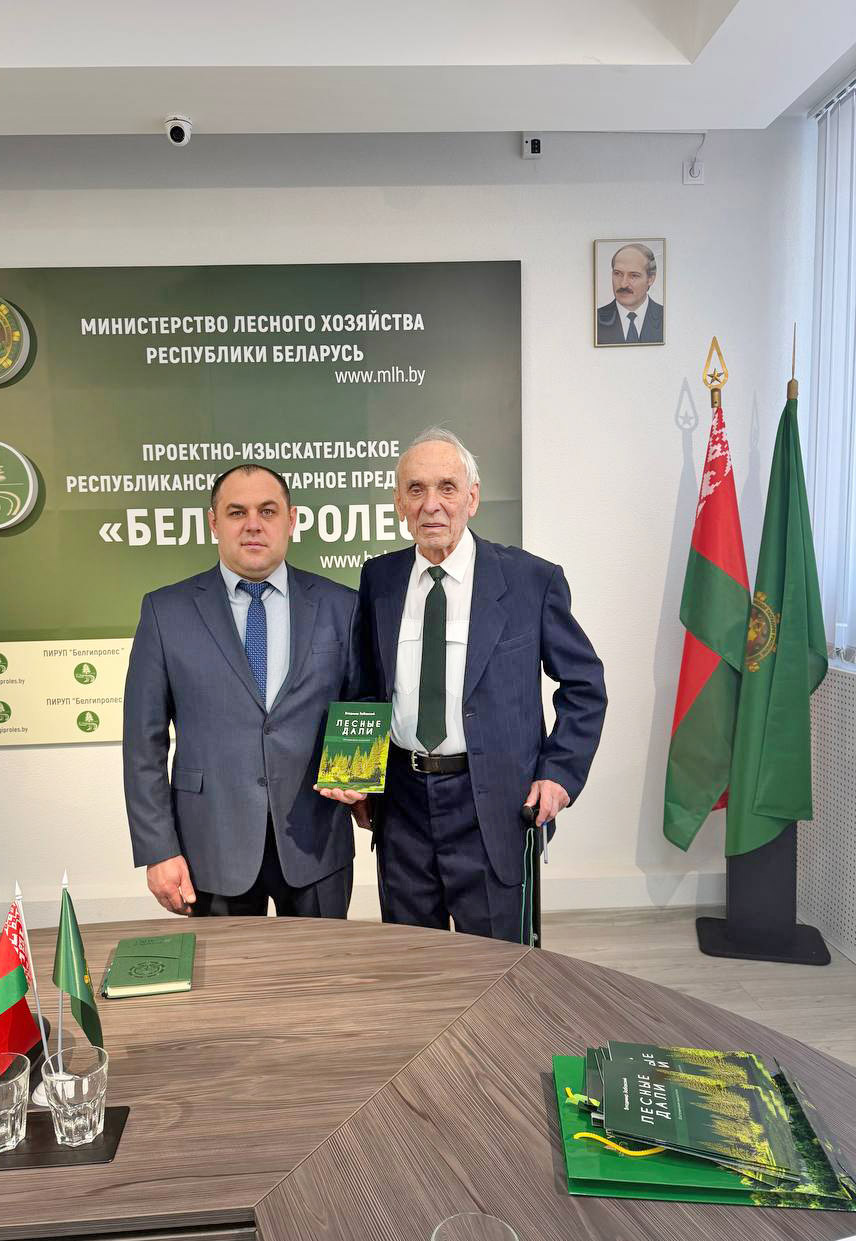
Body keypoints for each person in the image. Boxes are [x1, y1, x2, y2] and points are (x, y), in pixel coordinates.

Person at [320, 428, 606, 943]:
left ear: (472, 498)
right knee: (413, 960)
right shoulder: (379, 578)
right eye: (416, 489)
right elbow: (364, 685)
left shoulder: (531, 580)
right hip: (402, 806)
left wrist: (559, 773)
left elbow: (584, 684)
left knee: (497, 964)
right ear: (399, 503)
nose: (431, 504)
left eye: (447, 487)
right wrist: (356, 772)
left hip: (494, 805)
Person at [123, 464, 359, 919]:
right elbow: (142, 744)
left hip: (316, 843)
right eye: (237, 512)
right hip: (209, 845)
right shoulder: (165, 612)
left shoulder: (341, 605)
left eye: (267, 511)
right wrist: (158, 849)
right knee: (225, 969)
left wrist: (356, 782)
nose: (253, 524)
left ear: (291, 521)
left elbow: (361, 703)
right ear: (214, 523)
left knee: (322, 966)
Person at [596, 242, 664, 345]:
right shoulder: (595, 319)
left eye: (634, 276)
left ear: (650, 279)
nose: (623, 284)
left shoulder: (667, 317)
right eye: (618, 274)